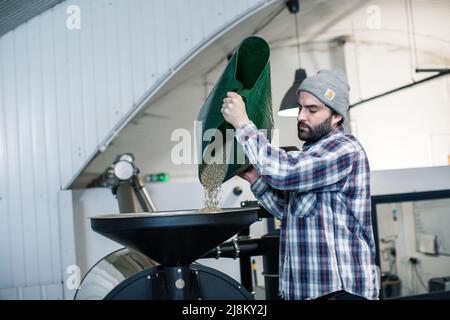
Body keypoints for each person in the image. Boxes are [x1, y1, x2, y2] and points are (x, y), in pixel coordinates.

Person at [221, 69, 379, 300]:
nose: (301, 116)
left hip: (340, 291)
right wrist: (254, 176)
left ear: (336, 117)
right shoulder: (313, 154)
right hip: (307, 291)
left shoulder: (345, 149)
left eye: (312, 109)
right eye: (300, 107)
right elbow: (290, 212)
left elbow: (285, 172)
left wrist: (243, 123)